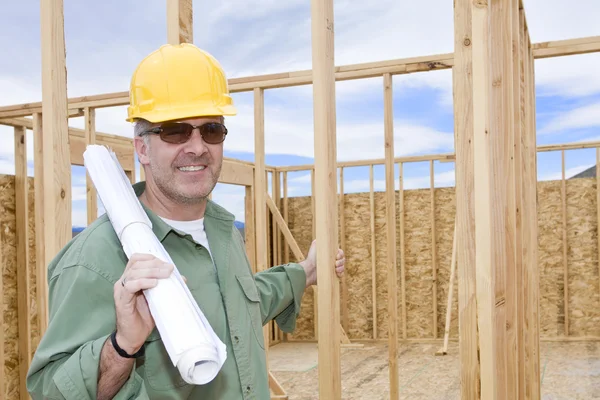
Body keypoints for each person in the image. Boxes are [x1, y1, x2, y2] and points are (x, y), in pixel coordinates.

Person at [26, 43, 345, 400]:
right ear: (142, 149)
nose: (196, 147)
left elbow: (242, 304)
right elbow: (51, 391)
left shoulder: (222, 232)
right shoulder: (96, 258)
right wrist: (122, 346)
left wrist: (308, 271)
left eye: (211, 130)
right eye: (175, 131)